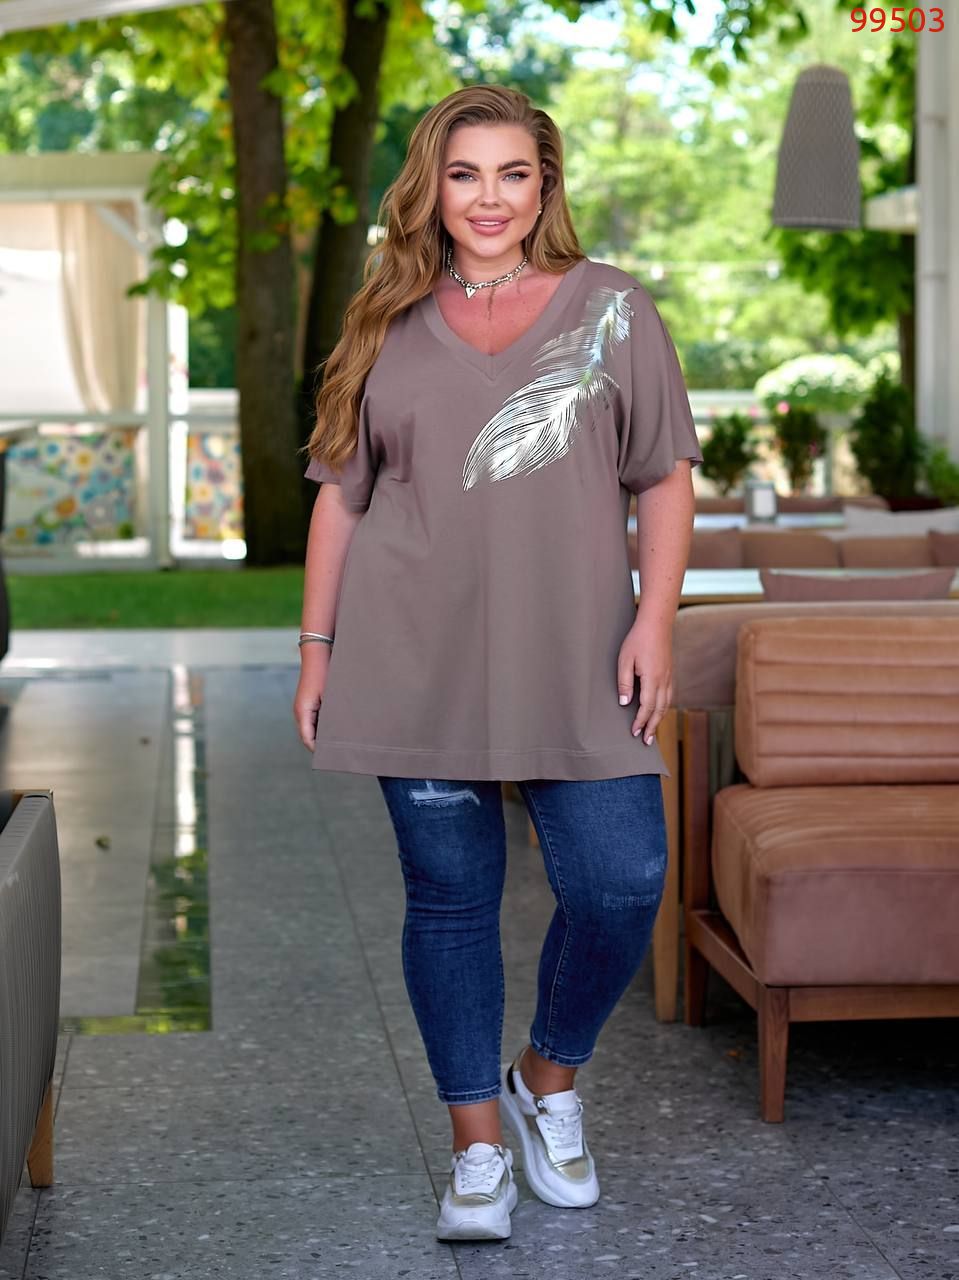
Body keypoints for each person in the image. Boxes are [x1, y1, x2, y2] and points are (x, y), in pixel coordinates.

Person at [294, 84, 703, 1243]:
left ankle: (545, 1076)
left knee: (620, 877)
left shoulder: (613, 309)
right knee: (449, 897)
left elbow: (663, 474)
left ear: (544, 186)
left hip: (581, 653)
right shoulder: (382, 319)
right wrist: (317, 647)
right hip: (408, 653)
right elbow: (339, 498)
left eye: (512, 173)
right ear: (430, 188)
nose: (488, 198)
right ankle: (477, 1145)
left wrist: (653, 619)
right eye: (463, 173)